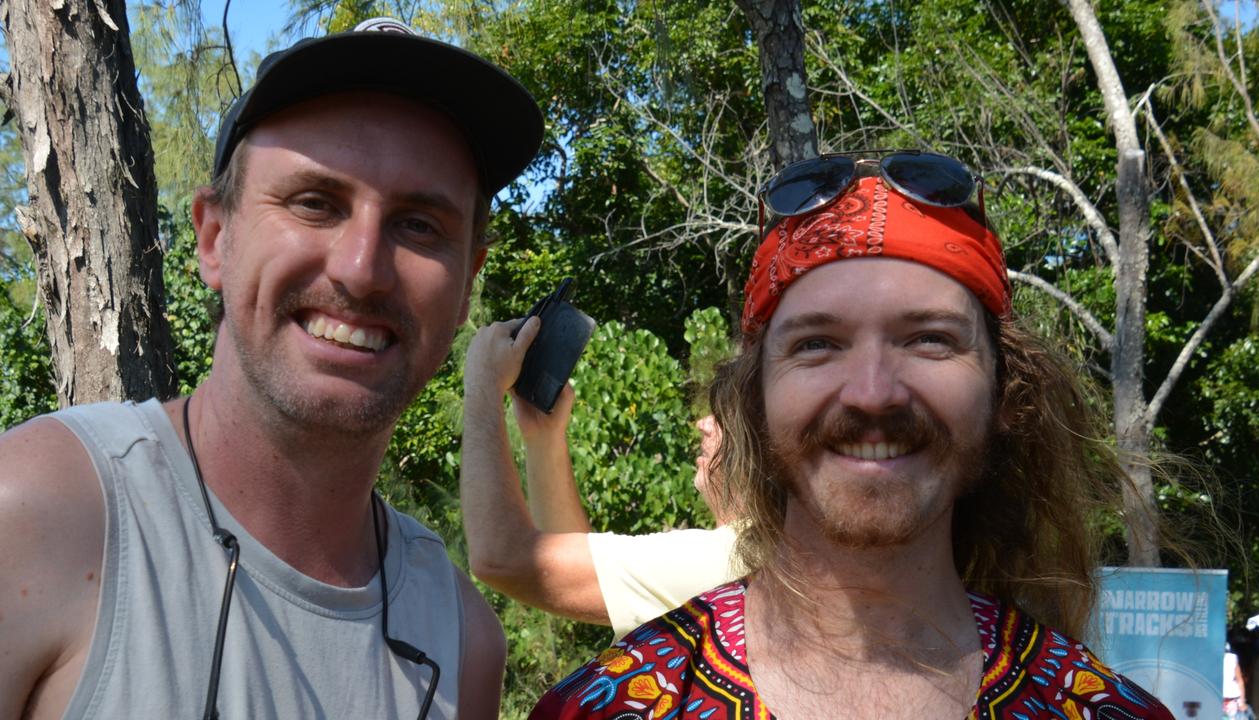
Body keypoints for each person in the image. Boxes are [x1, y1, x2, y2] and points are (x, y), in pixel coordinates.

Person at [0, 17, 543, 719]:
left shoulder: (464, 641)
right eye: (316, 203)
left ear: (468, 280)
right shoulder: (41, 515)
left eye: (418, 225)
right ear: (214, 238)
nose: (361, 270)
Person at [528, 151, 1176, 718]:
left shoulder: (1100, 710)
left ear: (1006, 394)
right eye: (817, 345)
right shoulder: (605, 708)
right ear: (754, 403)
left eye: (930, 340)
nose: (872, 392)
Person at [460, 339, 743, 639]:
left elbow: (502, 556)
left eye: (724, 417)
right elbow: (566, 562)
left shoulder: (722, 558)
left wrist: (483, 385)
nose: (703, 424)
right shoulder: (753, 553)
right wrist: (545, 439)